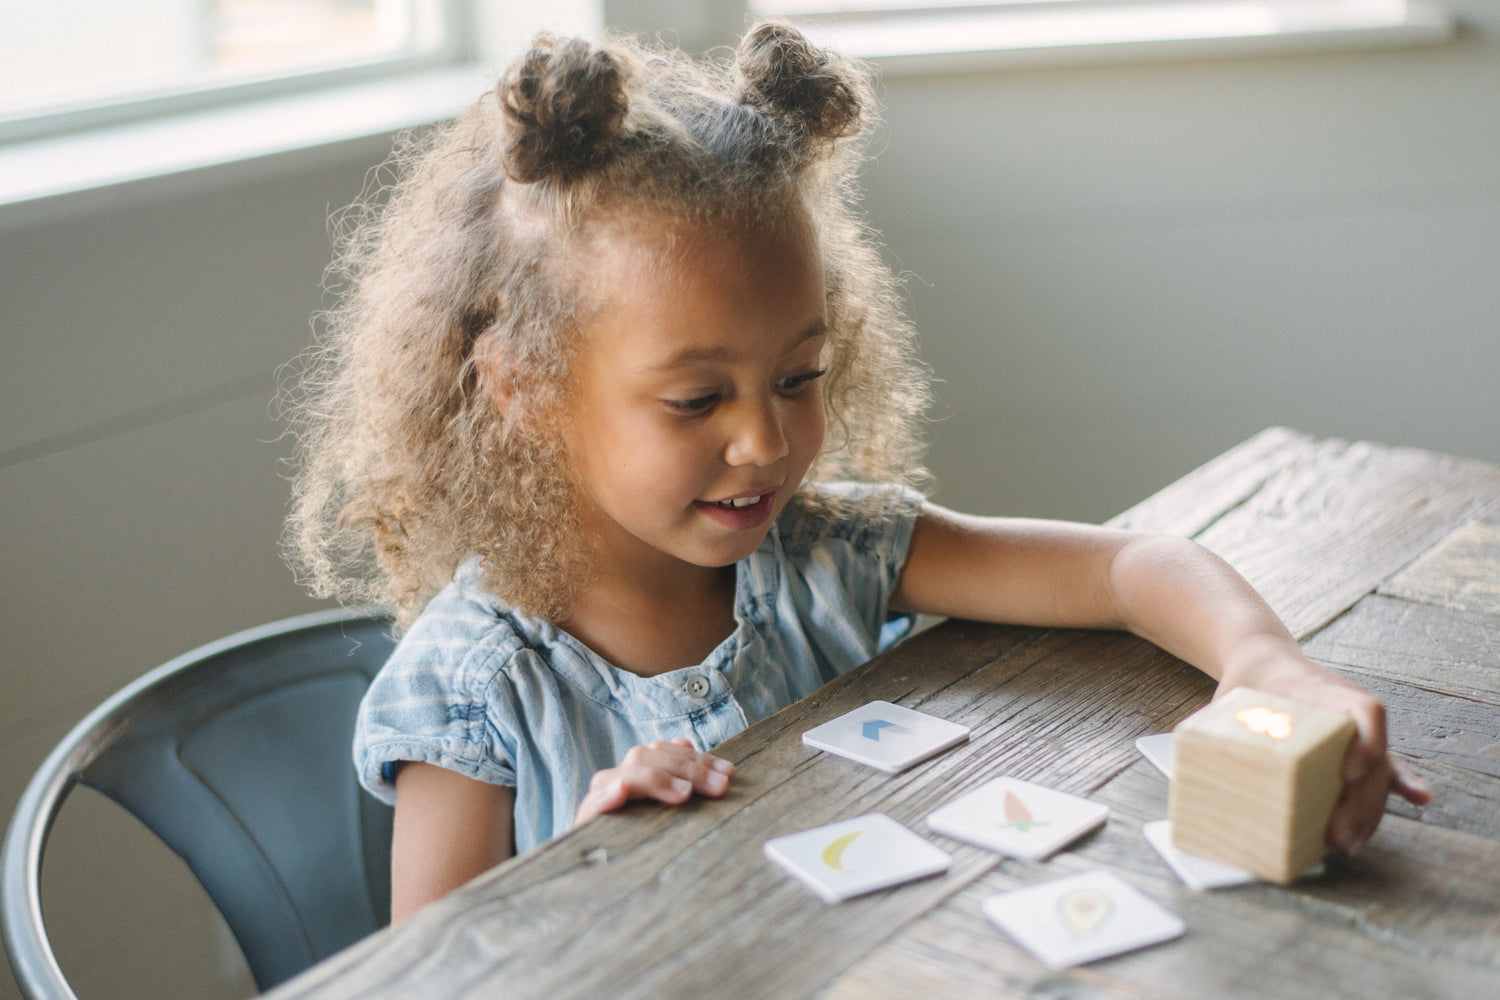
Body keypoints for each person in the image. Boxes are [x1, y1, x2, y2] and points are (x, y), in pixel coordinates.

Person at [281, 21, 1428, 922]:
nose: (767, 443)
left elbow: (1130, 569)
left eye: (799, 374)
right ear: (521, 386)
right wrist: (582, 867)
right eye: (697, 400)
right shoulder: (473, 698)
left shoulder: (832, 558)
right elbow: (427, 976)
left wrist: (1268, 662)